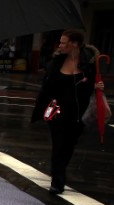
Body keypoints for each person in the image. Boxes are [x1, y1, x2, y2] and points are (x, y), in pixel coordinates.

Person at [32, 29, 104, 194]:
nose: (61, 46)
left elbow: (93, 85)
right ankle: (57, 180)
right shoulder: (56, 62)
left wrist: (97, 86)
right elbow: (47, 86)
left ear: (75, 44)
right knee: (58, 144)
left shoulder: (89, 63)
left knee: (69, 145)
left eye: (64, 43)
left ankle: (59, 172)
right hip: (57, 111)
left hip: (78, 112)